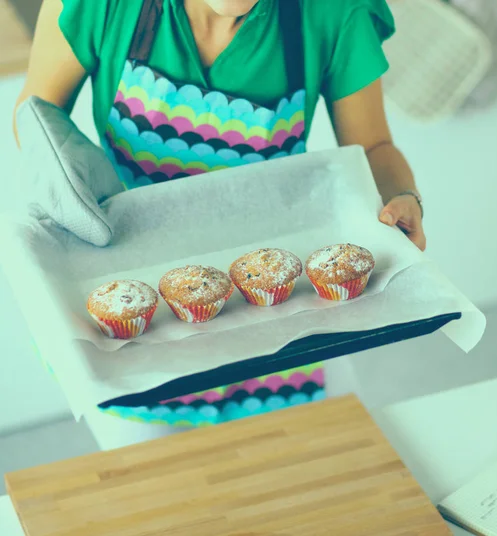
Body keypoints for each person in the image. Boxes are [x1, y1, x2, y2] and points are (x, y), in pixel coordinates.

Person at [14, 0, 426, 449]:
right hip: (136, 325)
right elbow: (36, 117)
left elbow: (374, 145)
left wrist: (402, 197)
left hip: (279, 308)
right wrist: (73, 179)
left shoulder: (333, 11)